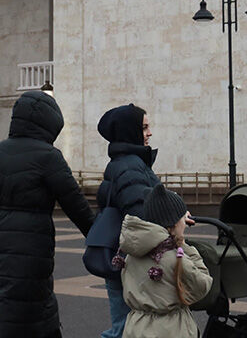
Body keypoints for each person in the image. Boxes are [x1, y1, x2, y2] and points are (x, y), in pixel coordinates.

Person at [0, 91, 95, 338]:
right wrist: (97, 235)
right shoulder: (48, 156)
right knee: (35, 296)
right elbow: (75, 203)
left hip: (2, 239)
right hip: (34, 238)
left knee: (7, 293)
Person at [95, 105, 159, 338]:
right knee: (125, 330)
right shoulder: (130, 166)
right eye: (144, 127)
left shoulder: (125, 163)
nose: (149, 133)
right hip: (129, 264)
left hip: (120, 259)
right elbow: (140, 216)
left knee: (124, 327)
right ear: (129, 131)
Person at [119, 185, 212, 338]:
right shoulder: (174, 257)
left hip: (136, 327)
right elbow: (202, 284)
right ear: (174, 223)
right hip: (171, 329)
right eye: (182, 219)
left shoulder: (133, 252)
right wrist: (183, 245)